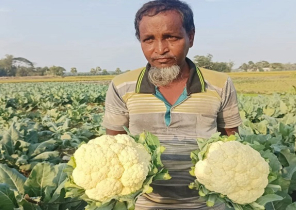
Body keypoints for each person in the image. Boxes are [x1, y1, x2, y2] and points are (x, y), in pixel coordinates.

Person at [102, 0, 242, 209]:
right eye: (148, 39)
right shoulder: (122, 86)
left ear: (191, 37)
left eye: (171, 37)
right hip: (145, 204)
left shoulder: (220, 84)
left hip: (208, 203)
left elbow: (232, 143)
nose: (160, 49)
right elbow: (113, 150)